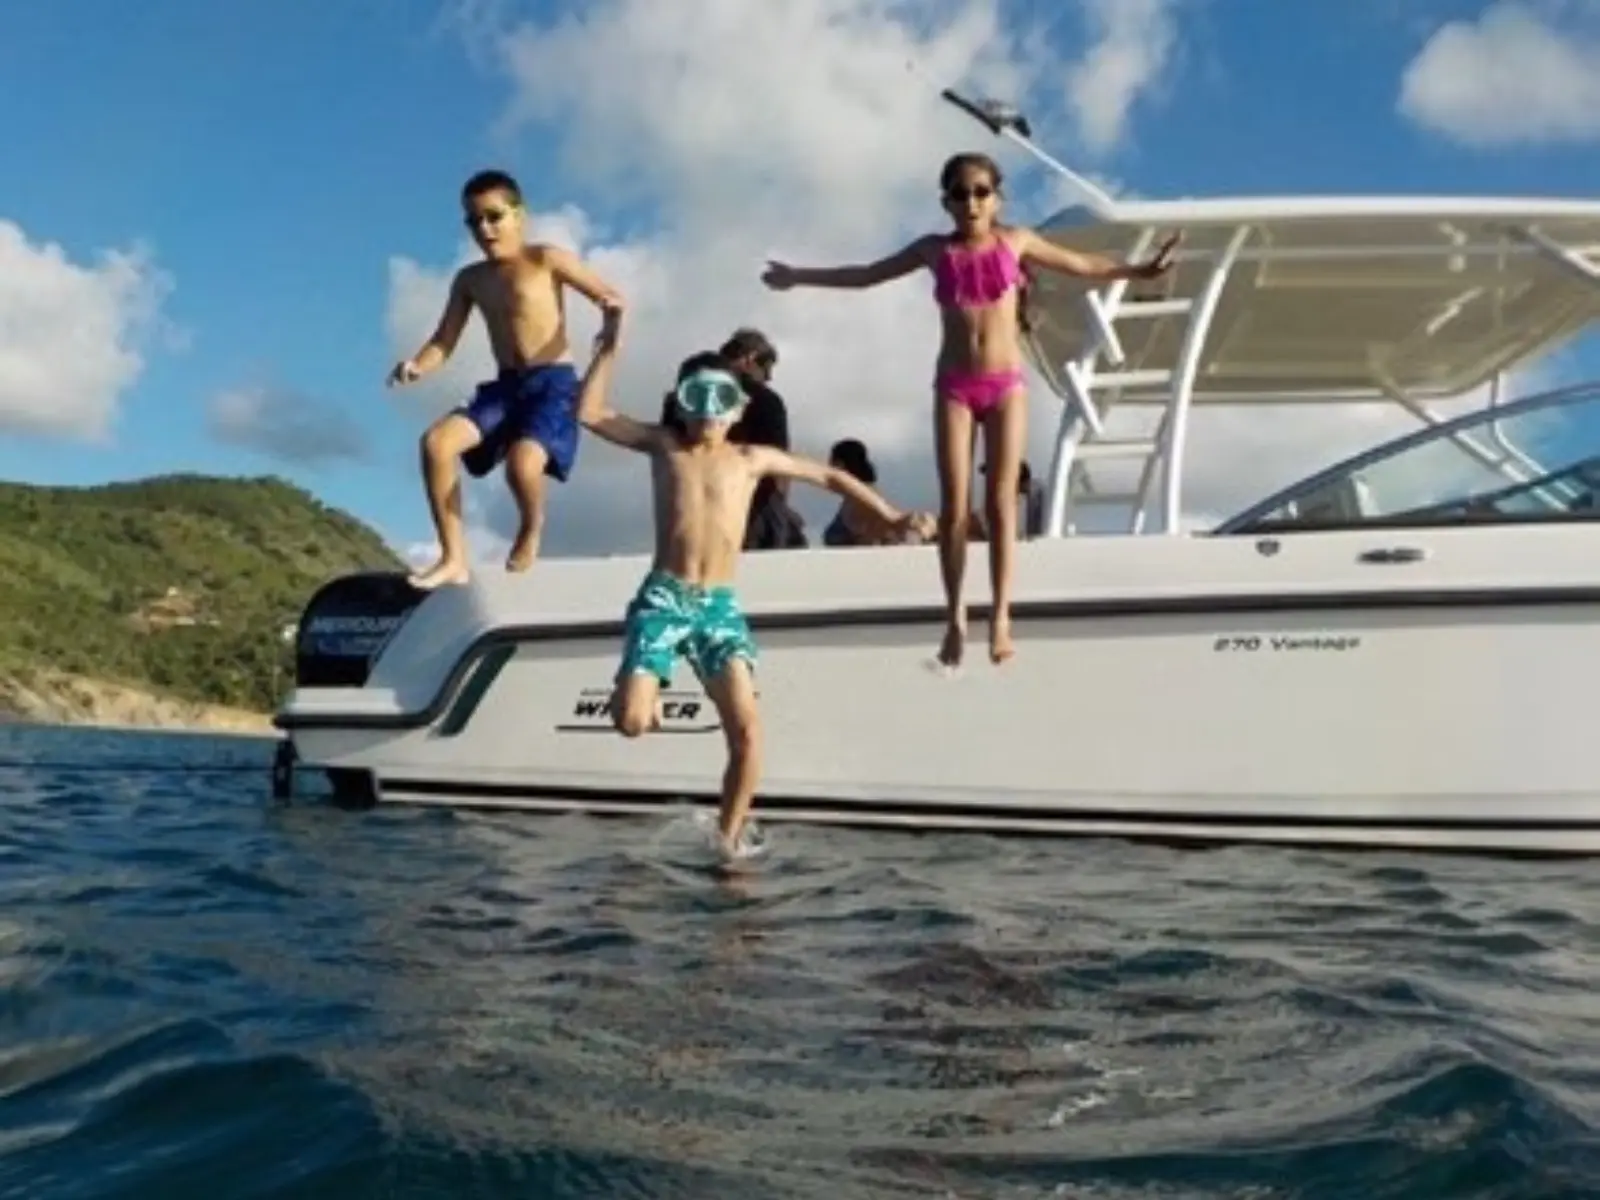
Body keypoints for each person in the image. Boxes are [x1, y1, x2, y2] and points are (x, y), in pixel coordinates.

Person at [762, 152, 1178, 667]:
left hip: (1004, 386)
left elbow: (1081, 265)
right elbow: (867, 274)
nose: (971, 202)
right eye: (960, 193)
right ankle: (956, 615)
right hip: (955, 387)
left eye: (981, 192)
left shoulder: (1016, 241)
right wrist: (798, 275)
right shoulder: (934, 250)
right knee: (955, 506)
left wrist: (1138, 270)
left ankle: (1000, 616)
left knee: (1001, 503)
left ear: (997, 198)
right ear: (947, 202)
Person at [575, 311, 919, 858]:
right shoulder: (665, 446)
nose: (709, 411)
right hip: (665, 598)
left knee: (749, 733)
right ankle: (642, 689)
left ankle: (729, 843)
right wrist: (610, 346)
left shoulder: (750, 459)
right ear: (680, 403)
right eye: (697, 397)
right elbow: (590, 412)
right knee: (633, 724)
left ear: (739, 408)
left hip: (718, 607)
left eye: (722, 398)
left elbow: (831, 475)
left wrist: (891, 514)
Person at [388, 169, 625, 590]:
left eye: (494, 216)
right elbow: (444, 340)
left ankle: (531, 526)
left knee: (522, 464)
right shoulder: (470, 280)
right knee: (436, 444)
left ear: (519, 215)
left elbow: (609, 296)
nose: (485, 229)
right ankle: (453, 557)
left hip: (552, 383)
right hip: (505, 386)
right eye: (474, 221)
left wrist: (610, 315)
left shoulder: (546, 259)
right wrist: (418, 365)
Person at [721, 329, 808, 550]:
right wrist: (779, 511)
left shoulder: (683, 402)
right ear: (750, 359)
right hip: (755, 512)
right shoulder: (765, 400)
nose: (769, 377)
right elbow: (779, 465)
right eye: (766, 368)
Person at [822, 439, 936, 547]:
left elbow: (881, 530)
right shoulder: (858, 497)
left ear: (839, 465)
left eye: (831, 465)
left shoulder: (860, 499)